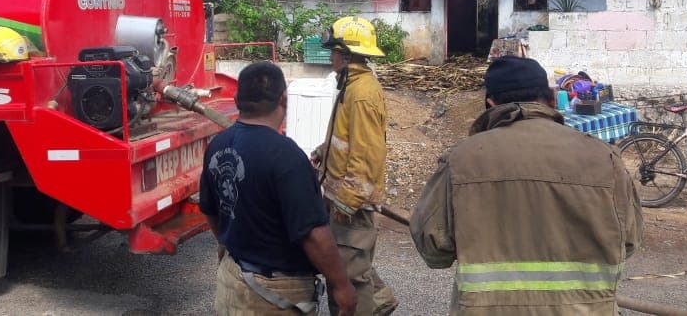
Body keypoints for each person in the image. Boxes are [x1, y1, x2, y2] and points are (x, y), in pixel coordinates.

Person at [410, 55, 643, 315]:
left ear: (490, 104)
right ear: (553, 99)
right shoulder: (605, 159)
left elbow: (433, 249)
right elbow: (629, 242)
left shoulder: (462, 159)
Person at [199, 61, 356, 316]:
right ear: (284, 98)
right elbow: (314, 233)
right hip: (274, 294)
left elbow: (210, 209)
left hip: (232, 283)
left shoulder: (218, 145)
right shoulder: (287, 156)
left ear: (237, 99)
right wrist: (341, 285)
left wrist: (227, 243)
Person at [314, 16, 398, 316]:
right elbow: (349, 138)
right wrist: (324, 151)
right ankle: (381, 299)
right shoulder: (351, 85)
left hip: (350, 204)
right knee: (349, 262)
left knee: (348, 279)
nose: (330, 57)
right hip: (341, 199)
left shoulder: (361, 94)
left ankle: (367, 306)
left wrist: (348, 203)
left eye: (334, 51)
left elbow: (367, 155)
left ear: (346, 55)